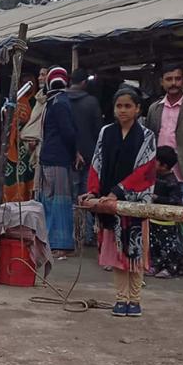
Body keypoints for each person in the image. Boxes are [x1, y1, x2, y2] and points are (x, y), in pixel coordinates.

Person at [81, 87, 156, 318]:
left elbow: (145, 170)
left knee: (135, 253)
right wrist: (93, 191)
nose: (123, 110)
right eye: (119, 106)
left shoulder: (147, 136)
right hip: (108, 202)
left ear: (138, 109)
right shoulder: (106, 132)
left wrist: (118, 192)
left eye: (128, 106)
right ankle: (121, 298)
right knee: (116, 254)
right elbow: (97, 164)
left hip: (134, 204)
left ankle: (135, 300)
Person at [145, 65, 183, 207]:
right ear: (162, 82)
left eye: (177, 79)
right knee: (158, 215)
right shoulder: (154, 108)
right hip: (159, 176)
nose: (173, 83)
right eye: (169, 79)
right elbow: (148, 143)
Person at [39, 67, 78, 257]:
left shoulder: (57, 102)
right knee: (55, 200)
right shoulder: (58, 101)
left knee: (56, 200)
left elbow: (67, 133)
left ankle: (59, 243)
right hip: (55, 158)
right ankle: (54, 241)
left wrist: (73, 152)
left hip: (55, 158)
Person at [68, 68, 103, 245]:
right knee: (88, 196)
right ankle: (87, 235)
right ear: (84, 83)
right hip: (90, 156)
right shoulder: (92, 102)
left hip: (68, 155)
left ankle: (72, 236)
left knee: (71, 196)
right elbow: (99, 130)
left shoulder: (62, 99)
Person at [150, 146, 183, 279]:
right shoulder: (155, 176)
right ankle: (156, 265)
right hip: (153, 219)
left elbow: (175, 200)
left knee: (168, 246)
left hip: (167, 223)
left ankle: (170, 268)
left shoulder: (172, 182)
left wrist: (157, 198)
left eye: (156, 161)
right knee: (154, 245)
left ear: (164, 165)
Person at [3, 73, 37, 202]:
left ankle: (27, 202)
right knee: (12, 174)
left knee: (28, 174)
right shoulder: (13, 101)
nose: (26, 85)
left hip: (29, 144)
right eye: (23, 82)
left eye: (29, 82)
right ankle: (11, 202)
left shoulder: (36, 102)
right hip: (12, 143)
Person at [21, 66, 51, 193]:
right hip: (36, 146)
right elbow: (34, 122)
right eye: (39, 75)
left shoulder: (54, 99)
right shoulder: (40, 98)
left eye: (43, 75)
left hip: (49, 147)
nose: (40, 78)